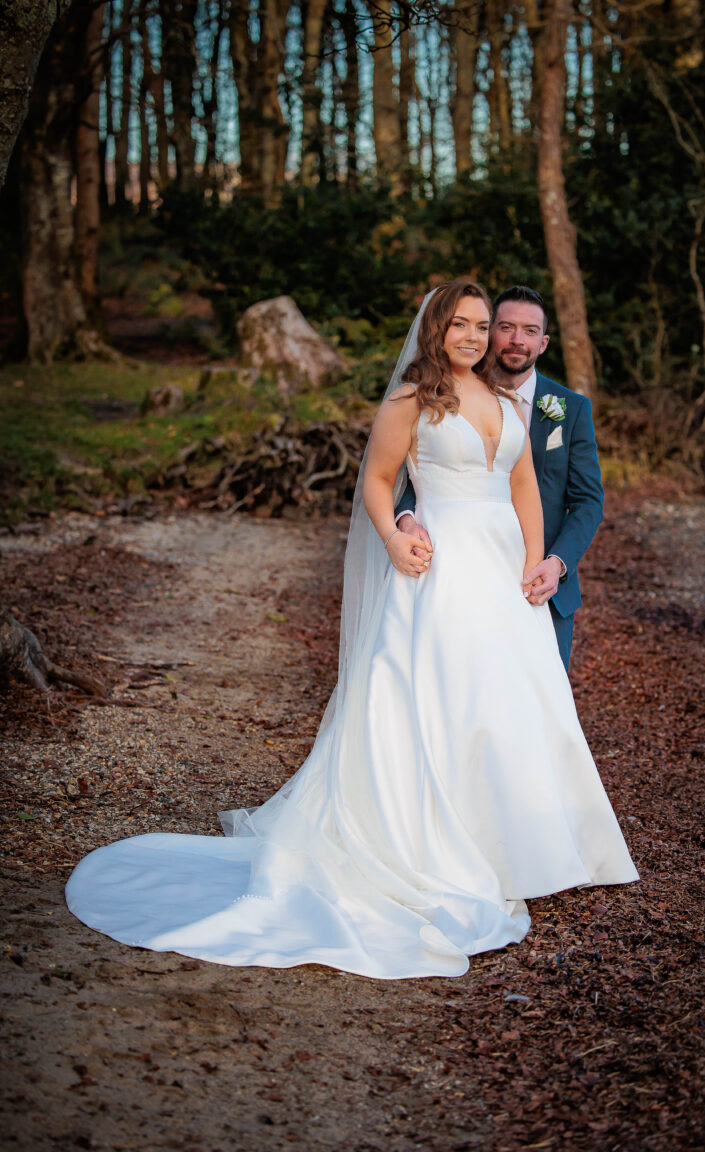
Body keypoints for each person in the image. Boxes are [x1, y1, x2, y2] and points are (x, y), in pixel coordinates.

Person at [65, 281, 637, 980]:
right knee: (438, 698)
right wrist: (396, 536)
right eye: (460, 324)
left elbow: (522, 485)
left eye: (481, 324)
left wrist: (532, 563)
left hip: (504, 574)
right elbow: (378, 479)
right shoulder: (412, 399)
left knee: (511, 703)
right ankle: (432, 845)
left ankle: (526, 847)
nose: (474, 336)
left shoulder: (502, 399)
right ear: (436, 328)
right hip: (441, 568)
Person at [395, 285, 603, 670]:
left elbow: (588, 501)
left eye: (530, 331)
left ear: (543, 343)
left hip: (539, 583)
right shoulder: (438, 394)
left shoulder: (571, 409)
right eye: (506, 327)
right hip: (453, 570)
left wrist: (556, 562)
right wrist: (406, 521)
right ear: (489, 332)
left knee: (535, 692)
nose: (517, 340)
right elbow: (415, 472)